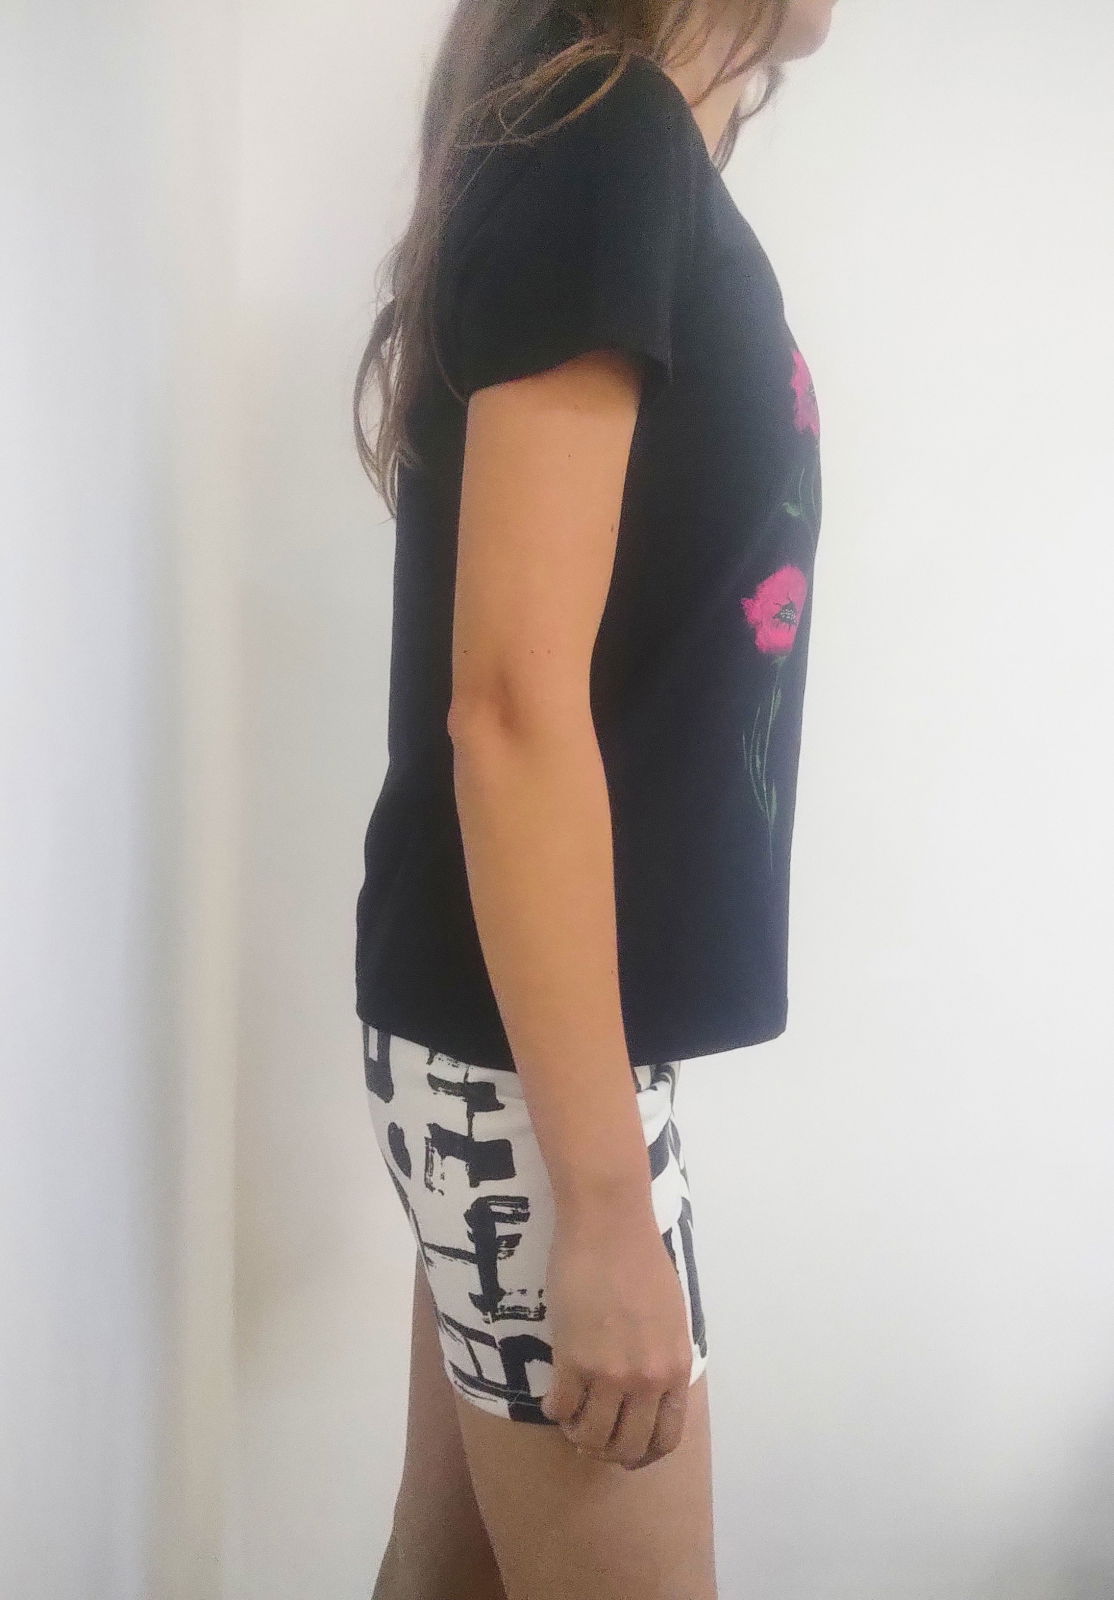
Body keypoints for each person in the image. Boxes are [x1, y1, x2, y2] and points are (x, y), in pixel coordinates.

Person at [351, 1, 834, 1594]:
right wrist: (605, 1208)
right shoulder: (600, 138)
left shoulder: (612, 143)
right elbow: (506, 708)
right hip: (524, 1069)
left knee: (450, 1570)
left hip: (517, 1038)